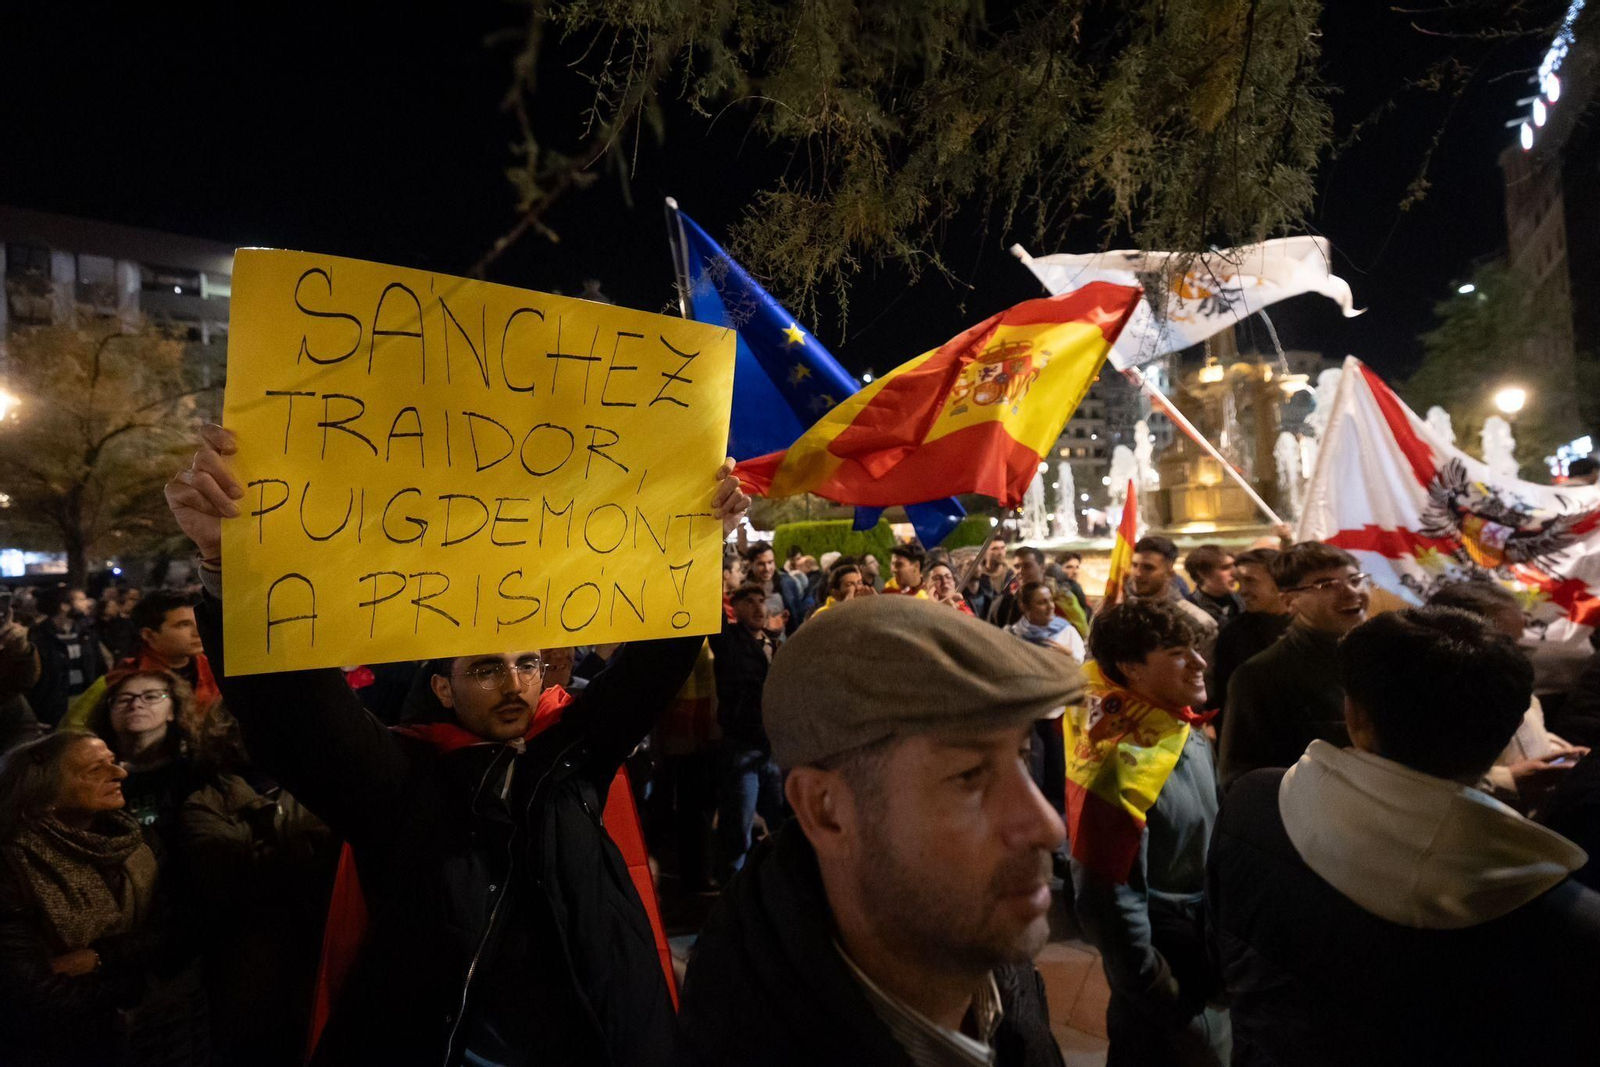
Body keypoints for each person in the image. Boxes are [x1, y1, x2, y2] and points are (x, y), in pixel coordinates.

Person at [163, 422, 750, 1067]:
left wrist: (699, 543)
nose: (514, 685)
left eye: (528, 663)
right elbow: (296, 712)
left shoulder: (572, 760)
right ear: (442, 688)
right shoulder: (399, 783)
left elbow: (654, 665)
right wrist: (229, 566)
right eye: (485, 668)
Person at [679, 595, 1075, 1067]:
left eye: (1022, 757)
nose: (1048, 827)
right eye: (969, 775)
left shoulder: (982, 944)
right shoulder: (742, 1037)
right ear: (826, 810)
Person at [1207, 607, 1600, 1065]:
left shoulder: (1254, 805)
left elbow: (1222, 957)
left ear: (1354, 714)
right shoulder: (1570, 921)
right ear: (1511, 729)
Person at [1070, 601, 1227, 1065]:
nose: (1200, 663)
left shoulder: (1175, 726)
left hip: (1203, 954)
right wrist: (1159, 991)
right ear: (1130, 669)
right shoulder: (1120, 759)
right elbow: (1105, 901)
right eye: (1179, 653)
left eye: (1196, 649)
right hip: (1168, 973)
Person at [0, 731, 203, 1066]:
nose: (121, 773)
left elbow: (179, 931)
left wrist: (100, 956)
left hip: (158, 1041)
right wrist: (139, 985)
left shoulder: (138, 844)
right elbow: (33, 994)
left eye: (112, 761)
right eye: (96, 770)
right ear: (43, 792)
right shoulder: (12, 865)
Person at [1426, 581, 1589, 811]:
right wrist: (1507, 781)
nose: (1516, 654)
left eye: (1518, 643)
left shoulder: (1511, 682)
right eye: (1505, 642)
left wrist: (1562, 752)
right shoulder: (1429, 702)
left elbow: (1527, 735)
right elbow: (1421, 787)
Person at [1219, 542, 1369, 789]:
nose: (1351, 592)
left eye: (1355, 579)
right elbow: (1244, 781)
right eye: (1327, 585)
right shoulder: (1260, 676)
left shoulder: (1384, 659)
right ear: (1289, 601)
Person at [709, 584, 786, 880]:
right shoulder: (729, 643)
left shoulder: (772, 644)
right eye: (749, 601)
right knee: (737, 829)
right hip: (742, 747)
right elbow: (712, 614)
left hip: (770, 749)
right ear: (735, 608)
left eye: (761, 601)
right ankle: (731, 890)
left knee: (780, 822)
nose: (757, 607)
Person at [63, 590, 222, 731]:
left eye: (199, 623)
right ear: (148, 634)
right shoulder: (121, 679)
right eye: (183, 625)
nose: (197, 632)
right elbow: (73, 731)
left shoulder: (215, 670)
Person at [1207, 548, 1290, 717]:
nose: (1241, 591)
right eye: (1239, 582)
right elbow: (1224, 696)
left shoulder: (1311, 625)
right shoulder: (1233, 634)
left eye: (1250, 581)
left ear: (1279, 581)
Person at [26, 585, 106, 726]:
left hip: (85, 701)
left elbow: (99, 667)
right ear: (64, 606)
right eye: (81, 599)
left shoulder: (86, 634)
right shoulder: (39, 635)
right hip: (53, 708)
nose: (87, 603)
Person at [1126, 537, 1217, 651]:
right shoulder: (1118, 612)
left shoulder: (1198, 622)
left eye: (1148, 568)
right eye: (1134, 565)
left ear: (1169, 574)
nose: (1138, 574)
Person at [1008, 582, 1084, 660]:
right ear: (1026, 607)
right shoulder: (1014, 634)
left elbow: (1081, 662)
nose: (1050, 606)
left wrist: (1069, 654)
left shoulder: (1067, 631)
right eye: (1042, 603)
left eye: (1051, 600)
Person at [746, 541, 809, 633]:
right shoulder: (742, 589)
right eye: (761, 564)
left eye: (770, 562)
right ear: (751, 564)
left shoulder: (788, 583)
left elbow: (798, 616)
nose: (767, 568)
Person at [1182, 545, 1242, 628]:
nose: (1234, 573)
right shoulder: (1187, 612)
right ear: (1202, 574)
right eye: (1225, 568)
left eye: (1234, 566)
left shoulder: (1244, 603)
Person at [964, 537, 1013, 620]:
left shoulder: (1011, 575)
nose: (1000, 552)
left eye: (1002, 548)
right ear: (985, 551)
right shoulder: (977, 576)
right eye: (995, 549)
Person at [1056, 551, 1093, 625]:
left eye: (1077, 567)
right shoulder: (1057, 594)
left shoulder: (1079, 590)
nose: (1075, 571)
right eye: (1069, 567)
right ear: (1058, 569)